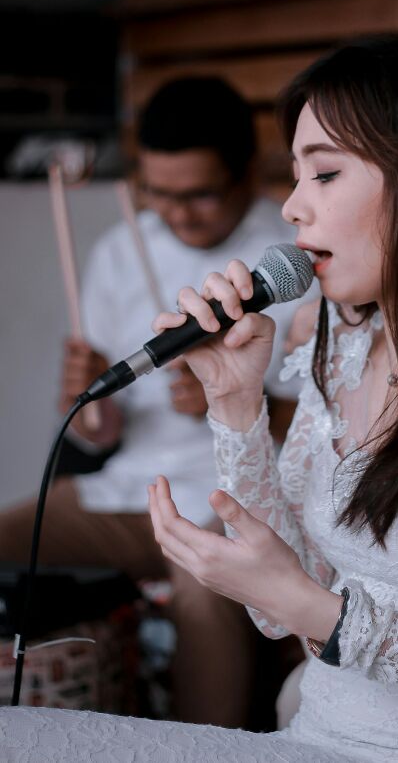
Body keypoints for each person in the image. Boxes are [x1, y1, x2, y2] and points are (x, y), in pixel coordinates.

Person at [1, 34, 398, 762]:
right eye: (296, 175)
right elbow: (284, 615)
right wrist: (234, 404)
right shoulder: (343, 346)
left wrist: (319, 612)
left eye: (325, 174)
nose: (294, 207)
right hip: (314, 742)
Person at [0, 77, 305, 729]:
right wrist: (92, 411)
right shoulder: (119, 250)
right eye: (159, 193)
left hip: (240, 502)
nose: (177, 214)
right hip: (131, 492)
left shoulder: (292, 255)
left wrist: (240, 396)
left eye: (199, 194)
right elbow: (99, 434)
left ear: (247, 173)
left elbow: (338, 423)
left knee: (204, 589)